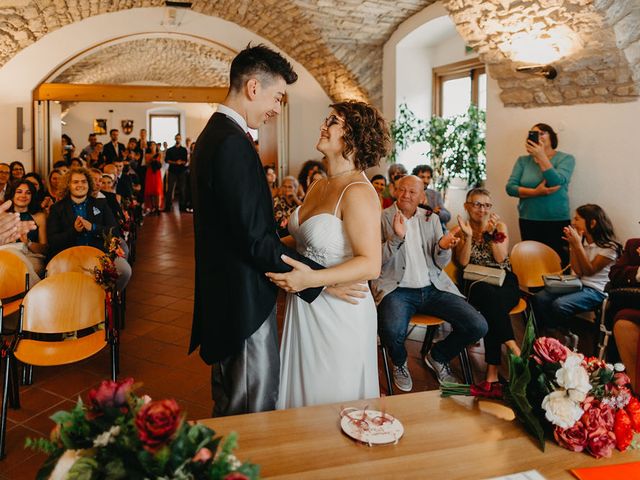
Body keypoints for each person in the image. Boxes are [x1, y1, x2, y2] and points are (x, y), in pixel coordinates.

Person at [189, 44, 327, 417]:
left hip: (226, 293)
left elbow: (240, 225)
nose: (276, 108)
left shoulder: (214, 136)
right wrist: (316, 279)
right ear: (253, 88)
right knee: (253, 408)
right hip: (242, 300)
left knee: (234, 402)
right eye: (278, 96)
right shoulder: (232, 143)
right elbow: (253, 237)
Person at [267, 101, 389, 409]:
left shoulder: (358, 192)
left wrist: (313, 279)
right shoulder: (320, 185)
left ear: (353, 137)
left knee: (330, 399)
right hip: (308, 303)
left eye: (332, 121)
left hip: (340, 312)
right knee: (301, 392)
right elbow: (302, 242)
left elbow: (371, 263)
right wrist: (258, 246)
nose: (324, 125)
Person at [373, 175, 488, 390]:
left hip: (434, 287)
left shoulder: (431, 219)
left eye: (412, 191)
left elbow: (440, 263)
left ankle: (438, 356)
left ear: (422, 196)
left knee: (478, 325)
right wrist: (396, 238)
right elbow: (375, 261)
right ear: (395, 191)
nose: (406, 195)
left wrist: (443, 247)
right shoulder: (380, 218)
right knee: (391, 331)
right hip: (397, 289)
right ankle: (399, 362)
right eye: (402, 190)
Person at [454, 188, 520, 385]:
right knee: (491, 300)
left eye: (486, 205)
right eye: (476, 204)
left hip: (502, 278)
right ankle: (511, 346)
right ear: (467, 206)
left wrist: (490, 235)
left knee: (494, 306)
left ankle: (494, 369)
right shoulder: (461, 228)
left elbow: (500, 258)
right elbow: (463, 263)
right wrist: (467, 237)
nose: (481, 209)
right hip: (475, 281)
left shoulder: (499, 226)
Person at [532, 204, 621, 335]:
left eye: (577, 219)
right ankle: (553, 332)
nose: (573, 223)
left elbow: (589, 270)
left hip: (597, 290)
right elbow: (578, 271)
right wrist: (573, 246)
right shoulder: (582, 241)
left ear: (592, 223)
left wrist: (577, 245)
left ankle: (564, 334)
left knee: (560, 304)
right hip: (578, 284)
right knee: (540, 298)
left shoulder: (610, 247)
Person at [47, 168, 131, 291]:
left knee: (125, 271)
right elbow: (53, 240)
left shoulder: (100, 204)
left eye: (83, 181)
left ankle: (108, 300)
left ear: (89, 184)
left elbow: (115, 231)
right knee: (54, 279)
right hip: (69, 255)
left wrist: (93, 227)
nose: (80, 185)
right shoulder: (57, 208)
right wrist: (74, 231)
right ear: (68, 185)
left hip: (98, 254)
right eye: (75, 182)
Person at [506, 123, 575, 265]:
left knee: (558, 262)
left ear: (552, 137)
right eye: (534, 134)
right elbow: (510, 188)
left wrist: (541, 156)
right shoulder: (523, 161)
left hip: (557, 220)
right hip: (529, 219)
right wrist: (535, 192)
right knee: (532, 262)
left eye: (542, 133)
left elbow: (556, 181)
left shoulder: (566, 159)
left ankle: (558, 288)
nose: (539, 136)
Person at [5, 180, 47, 276]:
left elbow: (44, 249)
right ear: (12, 195)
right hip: (7, 253)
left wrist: (28, 242)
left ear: (32, 196)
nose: (23, 196)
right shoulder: (3, 215)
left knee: (27, 270)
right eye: (19, 192)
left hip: (31, 256)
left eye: (28, 193)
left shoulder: (39, 216)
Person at [164, 134, 189, 212]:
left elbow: (186, 161)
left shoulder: (184, 150)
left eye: (179, 138)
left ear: (181, 139)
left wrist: (181, 162)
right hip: (172, 171)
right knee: (170, 189)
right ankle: (168, 207)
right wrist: (175, 162)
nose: (178, 140)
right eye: (177, 138)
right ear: (175, 139)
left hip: (182, 171)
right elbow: (167, 160)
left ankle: (182, 207)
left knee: (182, 189)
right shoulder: (170, 150)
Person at [144, 148, 163, 215]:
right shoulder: (147, 155)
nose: (152, 147)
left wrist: (156, 161)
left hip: (157, 173)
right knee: (150, 190)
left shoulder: (159, 154)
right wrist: (151, 160)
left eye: (154, 145)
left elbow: (161, 164)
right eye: (151, 145)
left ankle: (157, 207)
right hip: (150, 172)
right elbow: (146, 164)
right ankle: (152, 207)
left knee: (157, 190)